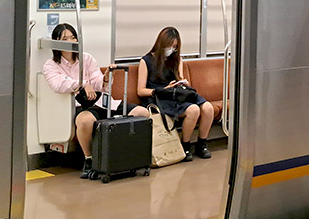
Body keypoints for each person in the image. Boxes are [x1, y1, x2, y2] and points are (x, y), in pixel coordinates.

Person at [43, 23, 150, 179]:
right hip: (81, 105)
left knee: (142, 113)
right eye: (64, 39)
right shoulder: (51, 65)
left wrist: (106, 77)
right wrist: (82, 84)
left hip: (102, 102)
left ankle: (125, 156)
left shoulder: (86, 58)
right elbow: (59, 84)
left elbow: (98, 83)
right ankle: (89, 159)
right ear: (56, 42)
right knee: (86, 121)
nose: (70, 41)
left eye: (73, 37)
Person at [136, 26, 214, 162]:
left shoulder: (177, 59)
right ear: (161, 44)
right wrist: (163, 89)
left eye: (175, 47)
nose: (172, 49)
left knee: (208, 108)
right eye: (170, 46)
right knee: (194, 110)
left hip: (176, 94)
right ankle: (185, 145)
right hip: (159, 96)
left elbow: (179, 77)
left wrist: (182, 83)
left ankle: (202, 144)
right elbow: (141, 90)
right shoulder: (146, 61)